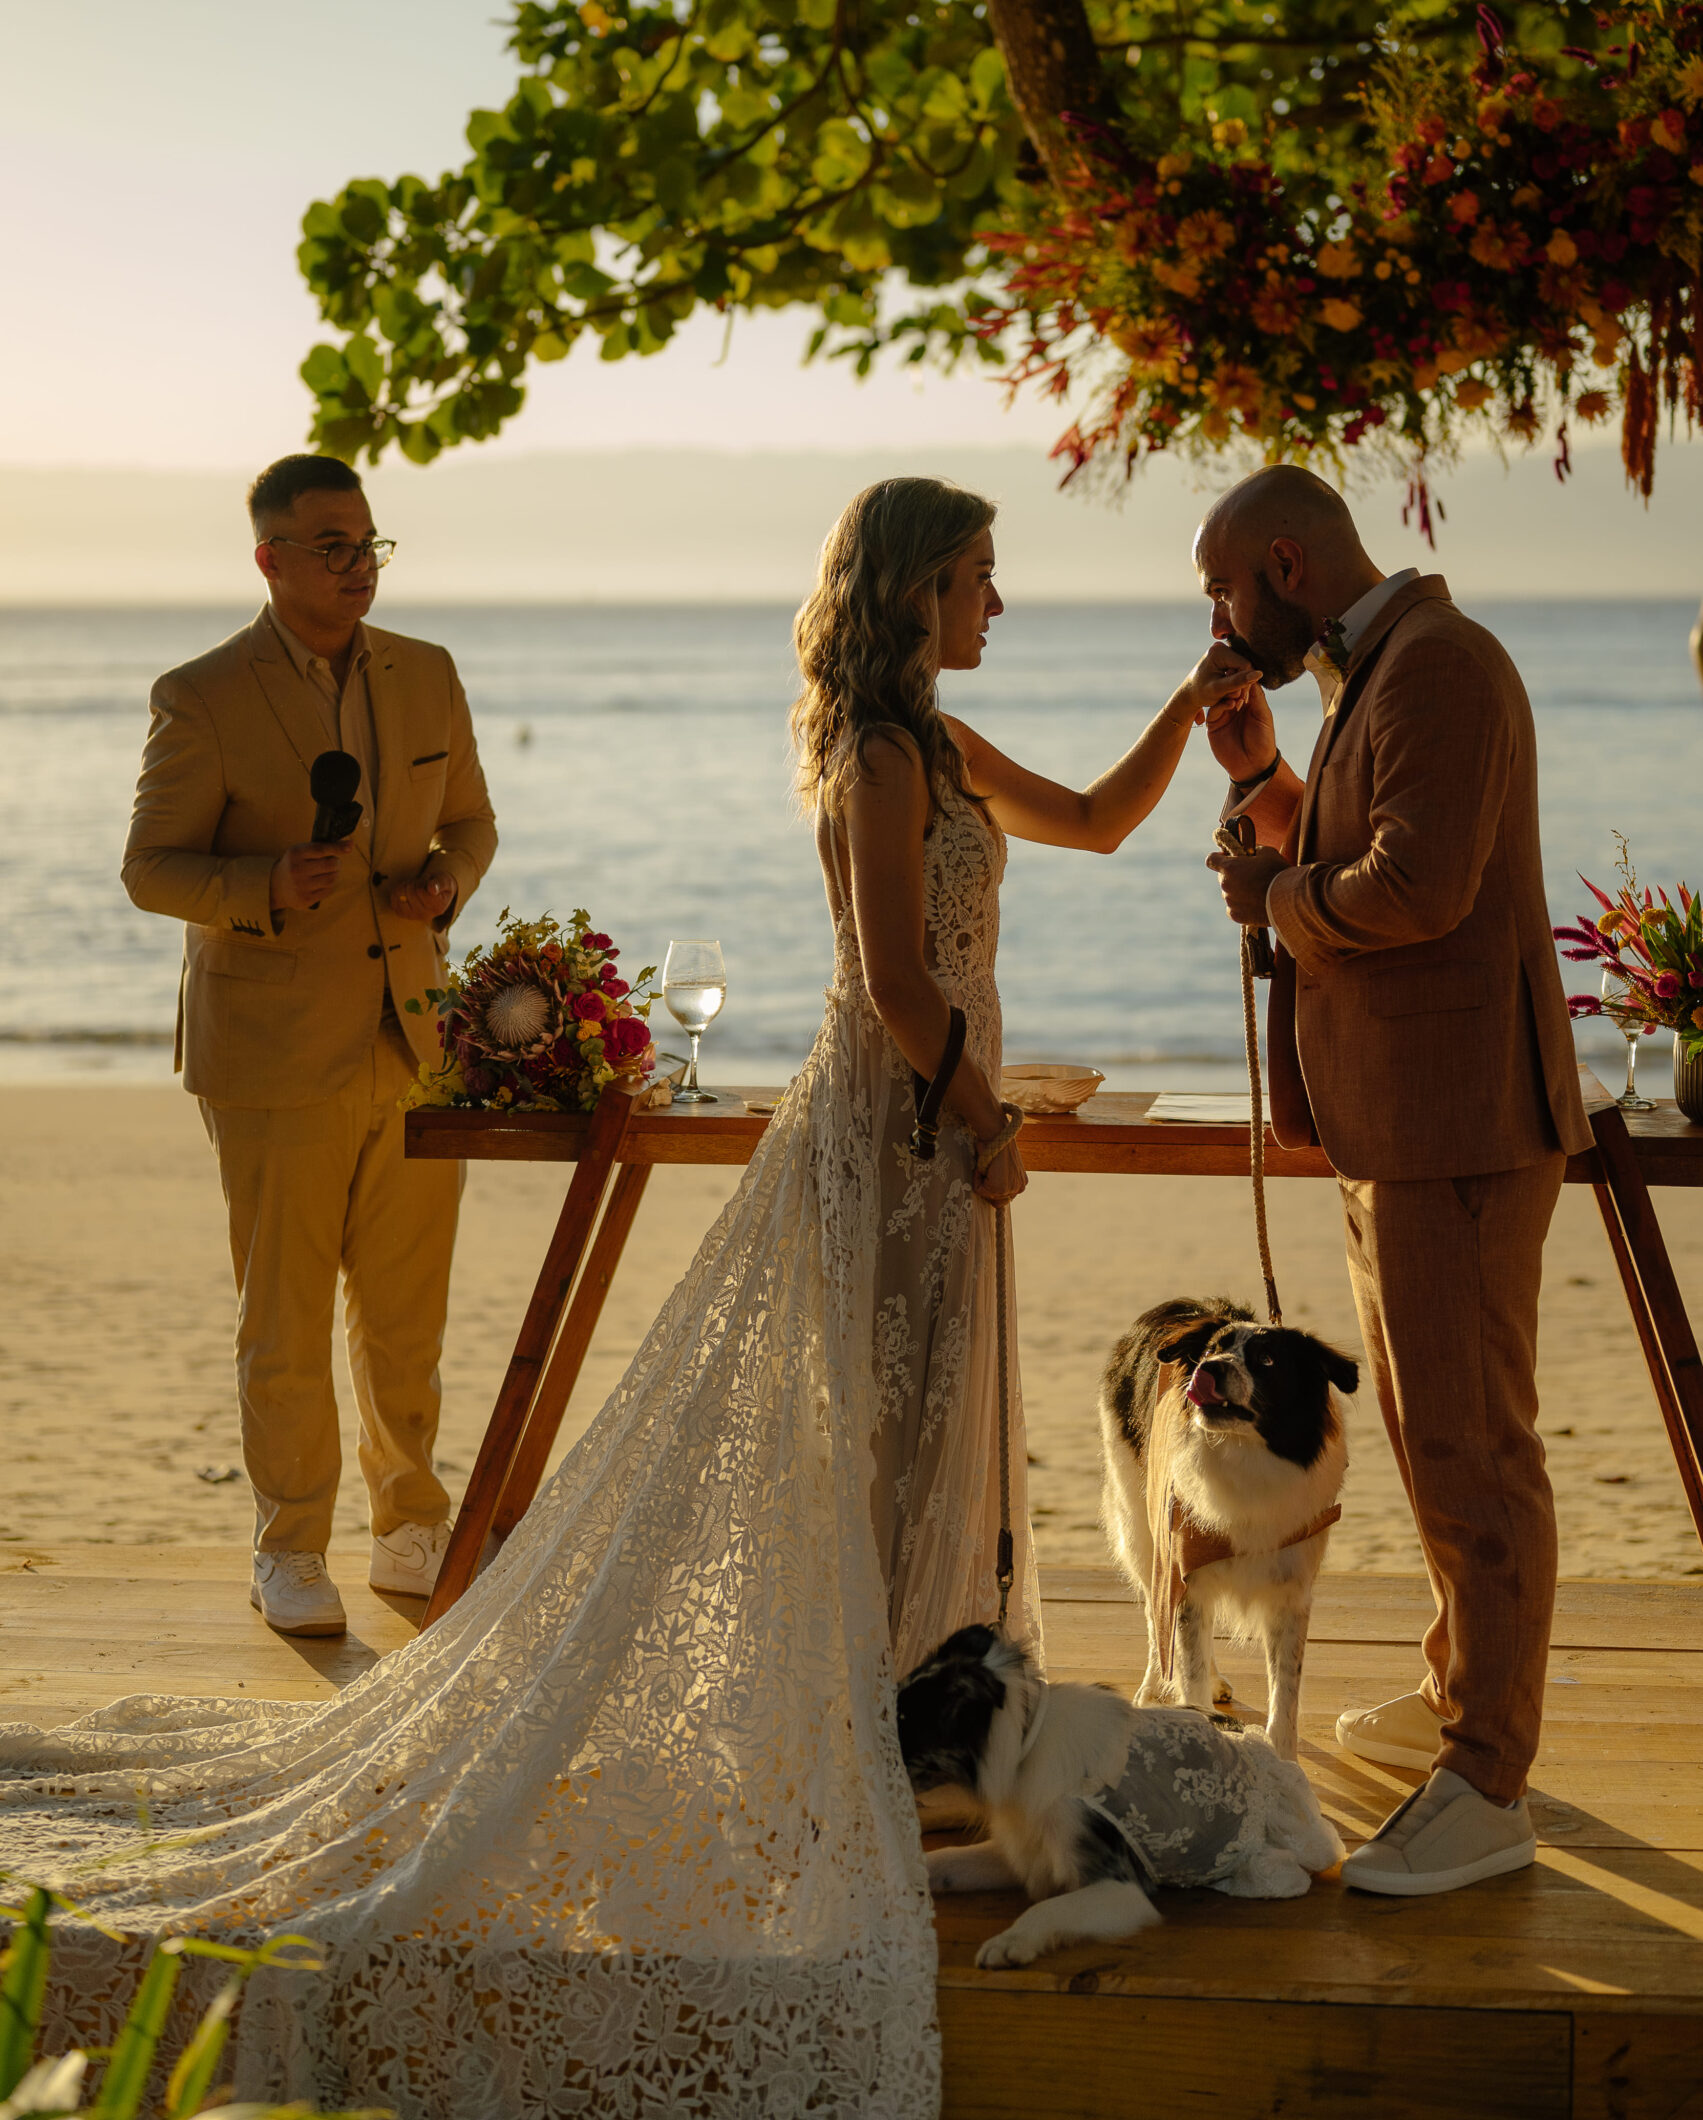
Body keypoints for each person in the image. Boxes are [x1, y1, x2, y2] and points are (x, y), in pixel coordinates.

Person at [3, 476, 1249, 2120]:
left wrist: (1190, 705)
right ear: (908, 593)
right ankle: (874, 1750)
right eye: (975, 578)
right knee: (886, 1438)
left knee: (933, 1435)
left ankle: (918, 1735)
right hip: (898, 1127)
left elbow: (1091, 822)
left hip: (949, 1123)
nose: (995, 604)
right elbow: (888, 981)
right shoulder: (876, 756)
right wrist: (976, 1120)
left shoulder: (938, 745)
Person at [1197, 466, 1591, 1898]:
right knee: (1432, 1439)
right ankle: (1456, 1700)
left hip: (1459, 1126)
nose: (1219, 622)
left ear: (1285, 565)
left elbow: (1415, 886)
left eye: (1221, 590)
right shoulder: (1375, 676)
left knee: (1473, 1449)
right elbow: (1352, 843)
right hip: (1402, 1125)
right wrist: (1255, 779)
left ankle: (1487, 1779)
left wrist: (1272, 901)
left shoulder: (1441, 667)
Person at [120, 453, 498, 1635]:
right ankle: (287, 1545)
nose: (357, 567)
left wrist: (445, 881)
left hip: (415, 1039)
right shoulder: (203, 694)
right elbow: (150, 869)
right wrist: (264, 883)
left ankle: (405, 1523)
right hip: (270, 1049)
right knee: (281, 1316)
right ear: (270, 559)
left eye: (369, 543)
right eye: (331, 546)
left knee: (406, 1314)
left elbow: (474, 821)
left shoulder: (427, 674)